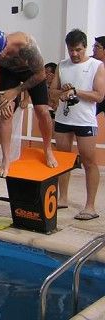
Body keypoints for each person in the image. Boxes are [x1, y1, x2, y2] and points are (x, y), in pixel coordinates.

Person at [0, 30, 56, 177]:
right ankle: (6, 160)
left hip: (33, 73)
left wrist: (16, 91)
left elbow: (41, 74)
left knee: (42, 111)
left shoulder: (26, 45)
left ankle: (47, 149)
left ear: (6, 45)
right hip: (9, 72)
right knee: (6, 112)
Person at [50, 29, 105, 221]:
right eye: (71, 50)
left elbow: (99, 95)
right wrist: (62, 93)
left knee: (89, 162)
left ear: (85, 47)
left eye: (78, 50)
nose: (74, 54)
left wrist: (76, 91)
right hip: (63, 119)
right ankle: (62, 198)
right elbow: (52, 92)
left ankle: (90, 206)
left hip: (85, 120)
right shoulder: (62, 65)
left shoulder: (96, 65)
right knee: (63, 160)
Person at [93, 36, 105, 116]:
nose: (93, 49)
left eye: (97, 47)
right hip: (91, 101)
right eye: (94, 46)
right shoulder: (90, 63)